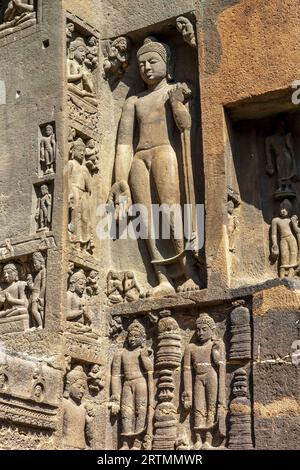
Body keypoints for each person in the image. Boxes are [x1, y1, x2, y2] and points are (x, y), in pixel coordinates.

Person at [108, 36, 199, 297]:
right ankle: (162, 279)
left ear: (167, 65)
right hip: (139, 159)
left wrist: (177, 102)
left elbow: (185, 126)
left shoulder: (174, 90)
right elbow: (124, 144)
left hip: (164, 153)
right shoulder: (133, 102)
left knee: (170, 213)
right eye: (141, 64)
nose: (146, 67)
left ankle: (188, 270)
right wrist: (120, 181)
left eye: (152, 61)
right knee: (146, 219)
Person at [182, 313, 226, 450]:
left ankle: (209, 439)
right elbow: (187, 371)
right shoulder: (191, 348)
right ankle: (198, 440)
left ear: (212, 331)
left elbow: (221, 366)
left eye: (204, 329)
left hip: (211, 376)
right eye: (198, 330)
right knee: (198, 407)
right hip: (198, 378)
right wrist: (187, 392)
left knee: (211, 407)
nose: (200, 333)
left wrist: (216, 354)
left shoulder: (216, 345)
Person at [110, 320, 153, 450]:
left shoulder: (143, 352)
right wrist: (115, 397)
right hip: (127, 384)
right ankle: (125, 443)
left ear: (142, 339)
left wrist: (145, 357)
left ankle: (137, 443)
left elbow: (150, 370)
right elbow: (115, 376)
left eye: (136, 336)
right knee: (126, 411)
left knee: (141, 411)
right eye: (130, 336)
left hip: (140, 382)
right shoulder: (120, 353)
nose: (132, 339)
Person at [68, 138, 93, 253]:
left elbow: (90, 187)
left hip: (83, 194)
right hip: (74, 191)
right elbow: (66, 179)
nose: (82, 153)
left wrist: (87, 172)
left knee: (85, 218)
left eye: (83, 151)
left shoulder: (84, 168)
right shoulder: (71, 163)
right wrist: (70, 193)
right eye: (79, 150)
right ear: (73, 151)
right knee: (76, 218)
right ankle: (76, 243)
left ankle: (85, 244)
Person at [63, 366, 93, 449]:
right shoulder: (64, 403)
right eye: (79, 387)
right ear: (69, 385)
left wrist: (89, 423)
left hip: (82, 446)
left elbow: (91, 437)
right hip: (66, 446)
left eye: (84, 388)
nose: (82, 391)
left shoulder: (84, 408)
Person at [271, 199, 299, 278]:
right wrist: (274, 243)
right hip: (283, 240)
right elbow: (274, 234)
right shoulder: (276, 220)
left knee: (293, 256)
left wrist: (294, 224)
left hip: (292, 239)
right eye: (281, 209)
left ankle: (290, 276)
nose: (283, 211)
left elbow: (297, 231)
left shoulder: (291, 220)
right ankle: (282, 277)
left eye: (285, 209)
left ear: (289, 210)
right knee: (284, 256)